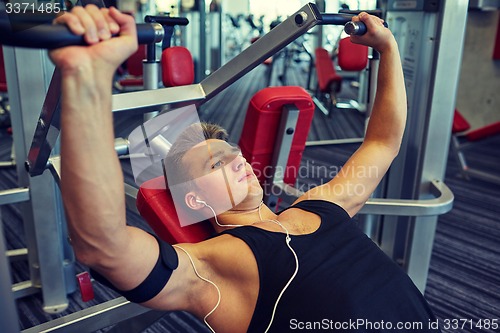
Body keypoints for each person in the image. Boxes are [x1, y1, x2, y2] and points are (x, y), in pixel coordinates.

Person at [51, 5, 441, 333]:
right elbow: (103, 247)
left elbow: (381, 142)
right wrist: (88, 79)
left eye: (233, 153)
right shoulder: (212, 267)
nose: (237, 161)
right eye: (215, 163)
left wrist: (388, 48)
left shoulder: (318, 205)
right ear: (194, 198)